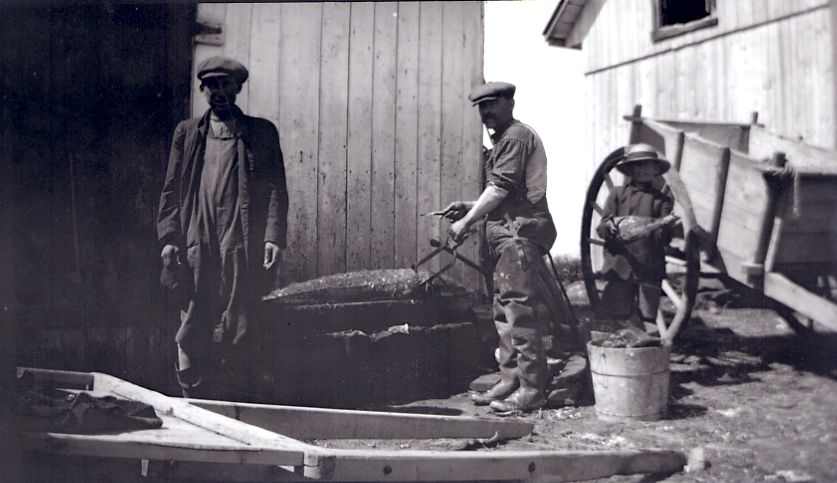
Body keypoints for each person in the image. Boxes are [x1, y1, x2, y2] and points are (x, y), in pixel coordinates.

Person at [157, 56, 289, 399]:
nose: (219, 92)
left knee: (240, 308)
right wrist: (169, 237)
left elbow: (276, 186)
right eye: (212, 85)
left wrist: (273, 236)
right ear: (203, 89)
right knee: (194, 307)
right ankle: (192, 397)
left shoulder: (261, 132)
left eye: (226, 85)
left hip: (240, 231)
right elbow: (171, 188)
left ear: (238, 88)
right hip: (197, 230)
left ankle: (234, 396)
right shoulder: (187, 133)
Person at [444, 81, 557, 413]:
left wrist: (466, 222)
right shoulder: (503, 141)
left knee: (520, 312)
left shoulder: (516, 137)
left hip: (519, 234)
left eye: (493, 104)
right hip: (505, 231)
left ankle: (533, 390)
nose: (487, 112)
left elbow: (500, 190)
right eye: (482, 107)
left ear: (510, 103)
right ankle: (510, 380)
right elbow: (501, 194)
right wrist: (470, 206)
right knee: (503, 312)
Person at [596, 143, 674, 330]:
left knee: (648, 318)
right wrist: (608, 227)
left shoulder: (662, 201)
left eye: (648, 165)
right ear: (630, 170)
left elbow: (665, 238)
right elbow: (603, 226)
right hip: (620, 263)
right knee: (616, 315)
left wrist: (664, 227)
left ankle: (646, 350)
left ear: (656, 170)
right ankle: (617, 352)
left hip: (649, 265)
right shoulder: (617, 194)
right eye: (638, 165)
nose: (643, 170)